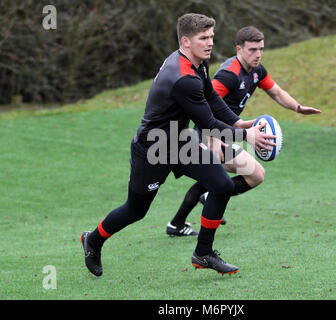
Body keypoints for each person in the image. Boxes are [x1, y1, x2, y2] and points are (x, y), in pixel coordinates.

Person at [80, 14, 275, 276]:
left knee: (222, 185)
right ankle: (93, 239)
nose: (210, 43)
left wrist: (240, 124)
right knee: (136, 210)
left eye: (211, 37)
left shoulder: (198, 63)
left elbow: (212, 98)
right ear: (185, 41)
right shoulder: (184, 78)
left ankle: (203, 253)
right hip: (154, 148)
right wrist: (248, 137)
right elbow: (208, 125)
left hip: (180, 140)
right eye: (203, 38)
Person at [166, 26, 321, 236]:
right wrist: (211, 138)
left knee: (256, 175)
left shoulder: (257, 71)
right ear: (239, 49)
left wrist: (298, 107)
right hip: (210, 133)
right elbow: (204, 103)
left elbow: (276, 92)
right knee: (213, 178)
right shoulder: (229, 75)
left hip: (230, 132)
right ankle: (184, 224)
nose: (258, 55)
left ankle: (186, 216)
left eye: (261, 49)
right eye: (252, 50)